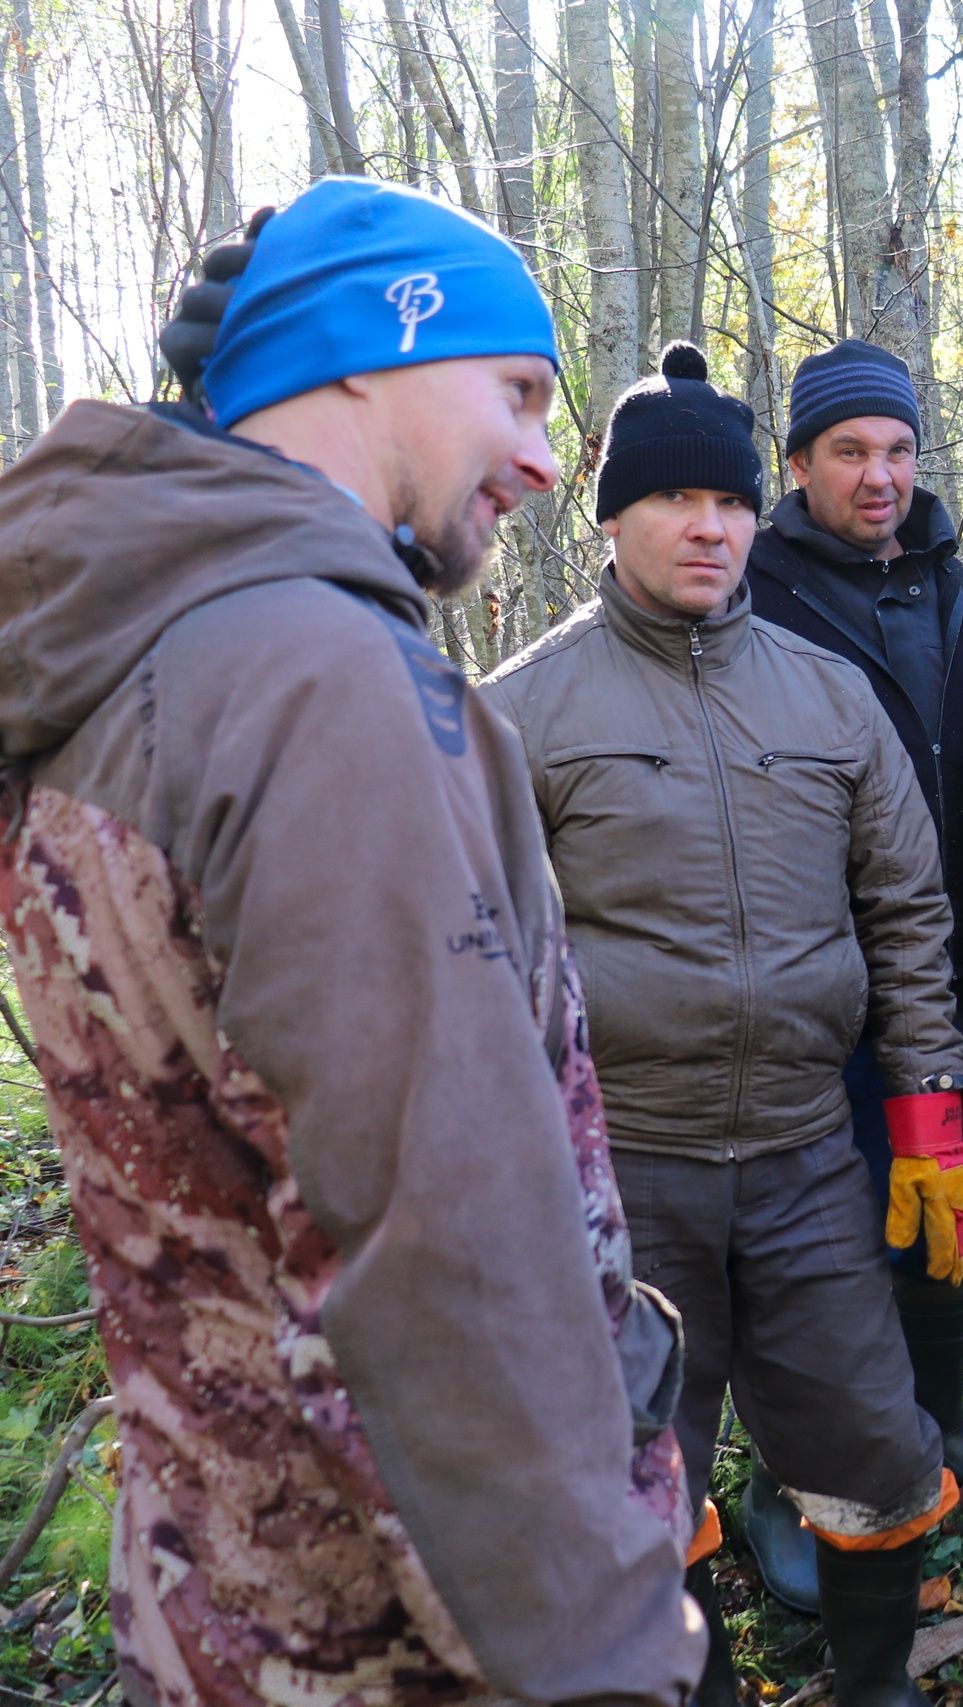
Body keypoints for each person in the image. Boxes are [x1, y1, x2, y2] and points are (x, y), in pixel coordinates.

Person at [0, 178, 705, 1706]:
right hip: (395, 1640)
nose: (538, 455)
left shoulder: (126, 653)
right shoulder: (320, 681)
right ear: (369, 348)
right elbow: (439, 1246)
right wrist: (605, 1654)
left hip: (215, 1602)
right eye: (514, 388)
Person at [480, 342, 963, 1707]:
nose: (709, 527)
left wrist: (928, 1107)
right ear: (615, 515)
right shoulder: (521, 712)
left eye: (733, 502)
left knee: (875, 1445)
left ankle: (877, 1682)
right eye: (675, 501)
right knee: (642, 1468)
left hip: (812, 1154)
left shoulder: (828, 695)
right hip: (629, 1172)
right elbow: (477, 964)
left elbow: (909, 913)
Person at [744, 339, 963, 1548]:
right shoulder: (751, 595)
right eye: (851, 452)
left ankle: (935, 1427)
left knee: (943, 1217)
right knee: (820, 1247)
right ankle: (790, 1489)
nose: (880, 475)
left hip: (952, 986)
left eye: (898, 450)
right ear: (800, 461)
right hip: (812, 993)